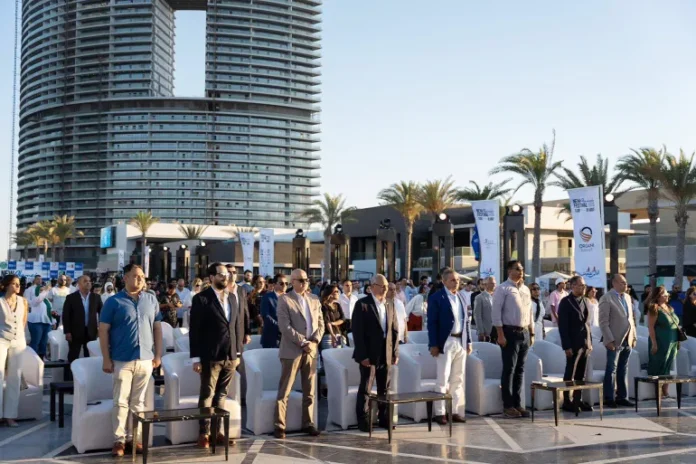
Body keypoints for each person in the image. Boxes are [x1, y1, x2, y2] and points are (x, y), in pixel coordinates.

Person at [99, 264, 163, 457]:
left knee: (138, 403)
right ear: (125, 278)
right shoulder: (113, 302)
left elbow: (157, 328)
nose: (140, 279)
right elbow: (103, 330)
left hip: (145, 359)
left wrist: (158, 355)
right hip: (122, 359)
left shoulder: (151, 300)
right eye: (135, 276)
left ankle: (135, 439)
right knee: (120, 401)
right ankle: (119, 440)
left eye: (142, 276)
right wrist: (106, 359)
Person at [189, 262, 248, 448]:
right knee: (207, 393)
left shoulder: (232, 297)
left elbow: (236, 326)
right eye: (221, 274)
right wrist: (196, 358)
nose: (225, 277)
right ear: (211, 277)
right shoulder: (201, 299)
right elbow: (195, 331)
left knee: (221, 395)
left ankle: (217, 432)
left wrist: (237, 353)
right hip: (210, 355)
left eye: (227, 274)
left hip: (230, 355)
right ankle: (204, 433)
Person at [274, 269, 324, 439]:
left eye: (306, 280)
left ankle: (308, 423)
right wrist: (303, 342)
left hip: (311, 350)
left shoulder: (314, 299)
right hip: (292, 350)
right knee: (285, 390)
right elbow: (284, 326)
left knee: (309, 390)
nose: (304, 283)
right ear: (292, 282)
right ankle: (279, 425)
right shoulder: (284, 299)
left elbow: (321, 324)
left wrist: (314, 341)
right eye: (300, 280)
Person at [352, 274, 399, 432]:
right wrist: (362, 355)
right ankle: (363, 420)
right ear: (372, 287)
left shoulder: (390, 304)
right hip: (369, 353)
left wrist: (395, 352)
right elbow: (357, 332)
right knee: (366, 387)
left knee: (384, 387)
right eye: (381, 286)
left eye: (386, 286)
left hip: (386, 351)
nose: (385, 289)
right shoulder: (362, 304)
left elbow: (394, 329)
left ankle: (384, 418)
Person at [427, 269, 472, 424]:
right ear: (444, 281)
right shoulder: (436, 297)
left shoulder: (461, 297)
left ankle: (454, 410)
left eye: (458, 280)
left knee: (458, 378)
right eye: (453, 280)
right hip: (445, 341)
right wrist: (433, 344)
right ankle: (440, 412)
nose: (456, 282)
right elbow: (432, 323)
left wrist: (468, 341)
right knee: (443, 378)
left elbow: (466, 321)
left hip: (460, 341)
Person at [492, 260, 535, 418]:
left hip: (524, 332)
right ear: (509, 270)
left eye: (521, 268)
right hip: (509, 332)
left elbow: (530, 312)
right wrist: (500, 334)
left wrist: (532, 333)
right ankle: (508, 405)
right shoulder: (503, 288)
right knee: (509, 369)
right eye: (517, 269)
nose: (520, 271)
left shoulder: (525, 289)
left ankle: (518, 404)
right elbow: (496, 313)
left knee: (520, 370)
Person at [598, 274, 636, 408]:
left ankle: (622, 396)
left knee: (623, 369)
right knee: (611, 368)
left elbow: (631, 319)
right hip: (615, 339)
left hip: (627, 339)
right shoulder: (606, 298)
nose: (625, 285)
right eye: (622, 282)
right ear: (614, 283)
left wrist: (634, 336)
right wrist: (609, 340)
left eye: (625, 282)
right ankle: (609, 397)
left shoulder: (627, 297)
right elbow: (603, 322)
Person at [557, 276, 593, 413]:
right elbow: (563, 326)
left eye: (584, 286)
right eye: (580, 285)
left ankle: (578, 399)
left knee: (581, 374)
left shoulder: (587, 301)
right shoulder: (565, 302)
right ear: (572, 286)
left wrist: (590, 342)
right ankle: (567, 400)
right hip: (572, 343)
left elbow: (587, 324)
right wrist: (566, 346)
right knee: (570, 372)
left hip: (585, 343)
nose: (583, 288)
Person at [0, 275, 28, 427]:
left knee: (14, 378)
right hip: (1, 340)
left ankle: (10, 415)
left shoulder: (23, 301)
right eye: (14, 284)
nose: (18, 286)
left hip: (18, 341)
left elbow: (23, 322)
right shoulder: (0, 301)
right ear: (6, 285)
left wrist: (18, 337)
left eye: (19, 284)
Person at [646, 286, 681, 397]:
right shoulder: (654, 308)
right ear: (657, 296)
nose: (667, 295)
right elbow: (651, 327)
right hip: (660, 341)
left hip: (672, 341)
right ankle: (658, 391)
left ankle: (665, 390)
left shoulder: (669, 308)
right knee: (659, 365)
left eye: (667, 294)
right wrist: (654, 343)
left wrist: (678, 341)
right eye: (664, 294)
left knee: (667, 365)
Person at [62, 275, 102, 363]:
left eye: (89, 281)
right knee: (73, 355)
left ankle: (88, 372)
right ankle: (71, 371)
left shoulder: (96, 297)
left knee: (90, 356)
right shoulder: (71, 298)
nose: (88, 283)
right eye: (85, 281)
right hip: (75, 332)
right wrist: (67, 331)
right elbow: (66, 315)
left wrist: (101, 328)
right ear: (79, 284)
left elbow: (102, 313)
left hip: (91, 331)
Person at [26, 275, 53, 359]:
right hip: (35, 321)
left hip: (46, 321)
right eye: (37, 279)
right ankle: (32, 359)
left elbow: (49, 307)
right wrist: (44, 292)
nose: (39, 280)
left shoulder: (45, 297)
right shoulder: (29, 290)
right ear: (33, 280)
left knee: (44, 342)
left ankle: (42, 358)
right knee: (35, 341)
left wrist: (53, 320)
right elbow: (32, 303)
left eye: (41, 279)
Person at [260, 274, 287, 348]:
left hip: (287, 339)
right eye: (281, 283)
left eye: (286, 283)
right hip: (272, 338)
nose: (284, 285)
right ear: (274, 285)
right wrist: (281, 327)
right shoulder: (267, 297)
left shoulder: (290, 298)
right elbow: (266, 316)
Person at [320, 285, 346, 351]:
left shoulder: (337, 305)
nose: (338, 293)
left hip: (337, 333)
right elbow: (326, 321)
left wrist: (333, 323)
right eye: (336, 291)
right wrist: (332, 334)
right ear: (330, 294)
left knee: (338, 353)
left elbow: (343, 318)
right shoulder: (323, 306)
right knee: (329, 354)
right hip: (328, 335)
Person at [474, 276, 496, 343]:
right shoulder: (479, 297)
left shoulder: (498, 296)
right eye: (492, 283)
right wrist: (481, 332)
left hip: (498, 331)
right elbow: (477, 316)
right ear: (485, 285)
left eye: (495, 283)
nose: (494, 285)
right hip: (486, 333)